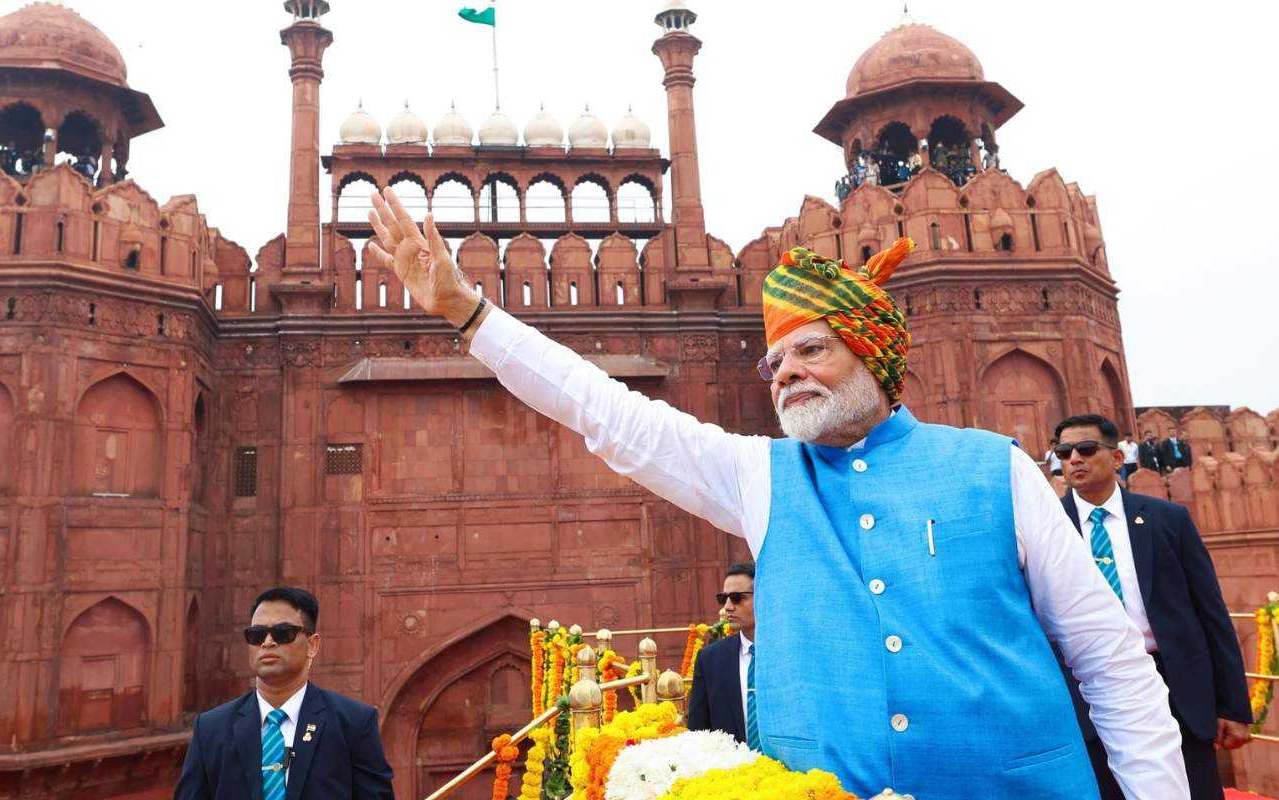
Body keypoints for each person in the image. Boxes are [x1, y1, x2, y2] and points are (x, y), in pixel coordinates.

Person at [361, 187, 1184, 799]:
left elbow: (1112, 665)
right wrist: (468, 314)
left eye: (812, 352)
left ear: (876, 359)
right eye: (774, 363)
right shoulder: (762, 478)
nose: (786, 373)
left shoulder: (993, 469)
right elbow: (608, 413)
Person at [1054, 414, 1250, 800]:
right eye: (1064, 451)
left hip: (1172, 684)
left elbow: (1211, 613)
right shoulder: (1047, 527)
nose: (1074, 458)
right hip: (1085, 689)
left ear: (1115, 458)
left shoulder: (1167, 519)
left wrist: (1233, 706)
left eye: (1086, 449)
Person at [176, 587, 394, 800]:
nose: (268, 642)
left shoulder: (352, 723)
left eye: (283, 633)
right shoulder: (211, 729)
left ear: (312, 644)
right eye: (257, 634)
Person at [686, 562, 756, 746]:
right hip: (731, 770)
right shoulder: (710, 660)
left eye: (737, 598)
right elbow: (698, 731)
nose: (727, 607)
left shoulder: (790, 657)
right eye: (723, 598)